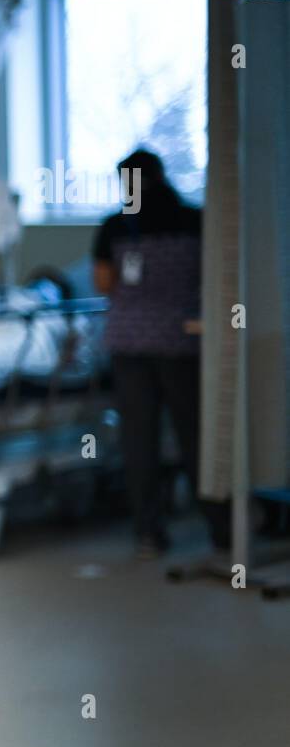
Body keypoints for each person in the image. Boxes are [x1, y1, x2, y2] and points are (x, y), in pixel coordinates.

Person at [92, 148, 222, 558]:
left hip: (131, 345)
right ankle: (222, 528)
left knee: (140, 440)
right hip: (182, 341)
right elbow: (212, 274)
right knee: (195, 434)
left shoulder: (115, 226)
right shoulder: (196, 220)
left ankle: (149, 532)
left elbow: (103, 283)